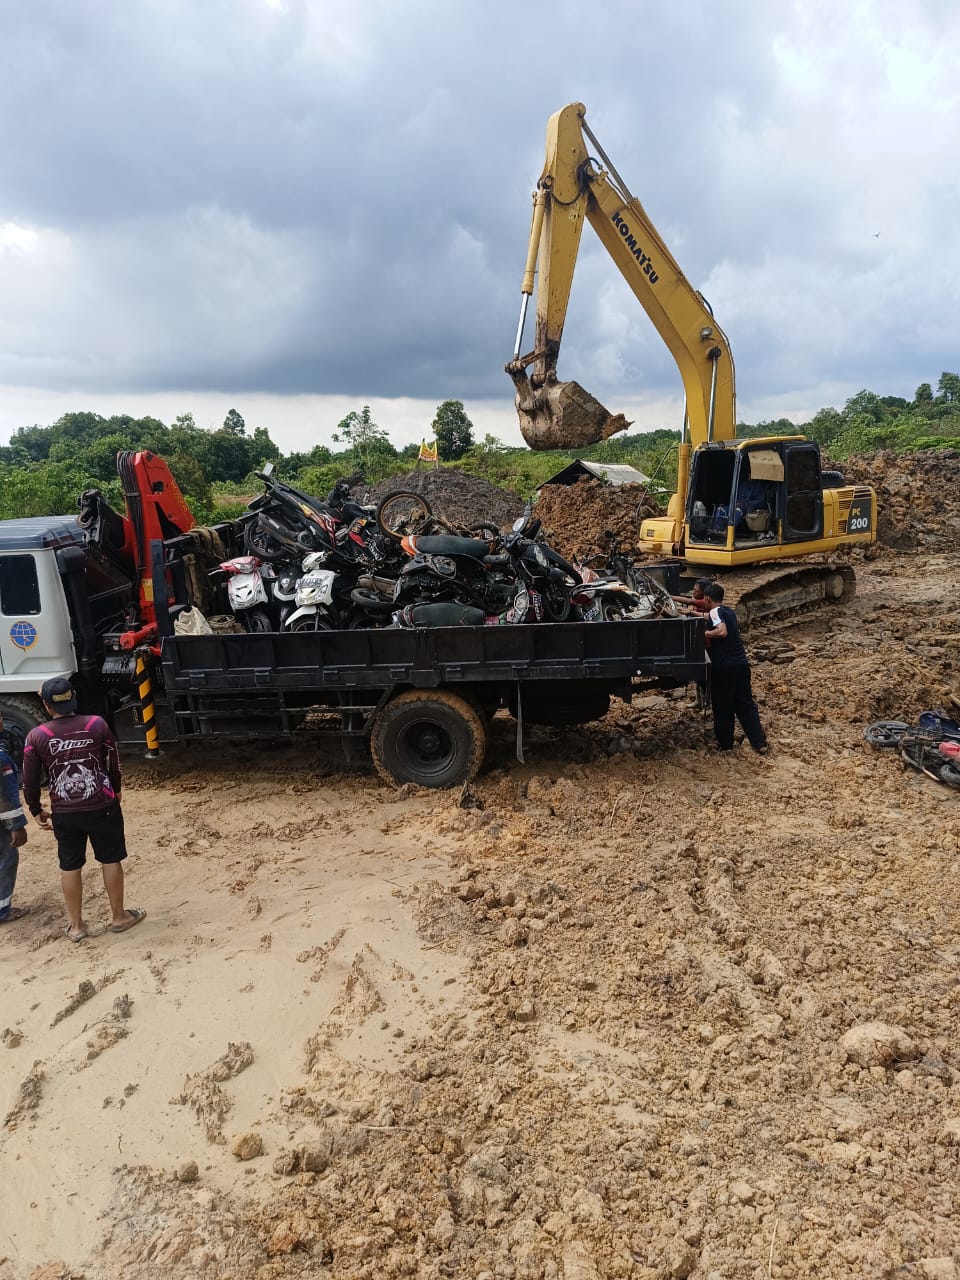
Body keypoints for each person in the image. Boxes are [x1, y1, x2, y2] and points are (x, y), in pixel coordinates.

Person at [21, 678, 145, 943]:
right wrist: (117, 788)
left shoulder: (37, 736)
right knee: (110, 858)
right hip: (103, 804)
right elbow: (113, 760)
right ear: (73, 697)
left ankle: (76, 926)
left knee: (70, 865)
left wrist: (35, 809)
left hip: (64, 812)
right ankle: (119, 917)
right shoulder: (96, 725)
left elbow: (30, 780)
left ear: (46, 704)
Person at [702, 583, 769, 755]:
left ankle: (726, 745)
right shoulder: (728, 611)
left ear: (707, 599)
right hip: (741, 664)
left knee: (723, 706)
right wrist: (693, 614)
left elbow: (721, 631)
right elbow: (715, 619)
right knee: (745, 704)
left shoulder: (714, 612)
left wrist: (703, 634)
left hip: (724, 668)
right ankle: (759, 743)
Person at [0, 712, 29, 925]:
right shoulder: (1, 759)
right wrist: (17, 826)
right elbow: (7, 798)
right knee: (7, 858)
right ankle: (3, 910)